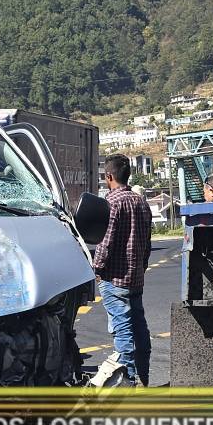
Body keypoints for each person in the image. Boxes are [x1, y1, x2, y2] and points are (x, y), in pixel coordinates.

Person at [92, 154, 153, 386]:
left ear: (108, 176)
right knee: (139, 328)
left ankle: (128, 384)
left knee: (122, 331)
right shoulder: (141, 202)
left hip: (115, 280)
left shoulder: (112, 203)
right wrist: (142, 266)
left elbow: (105, 243)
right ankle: (144, 378)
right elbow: (147, 242)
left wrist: (96, 268)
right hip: (136, 278)